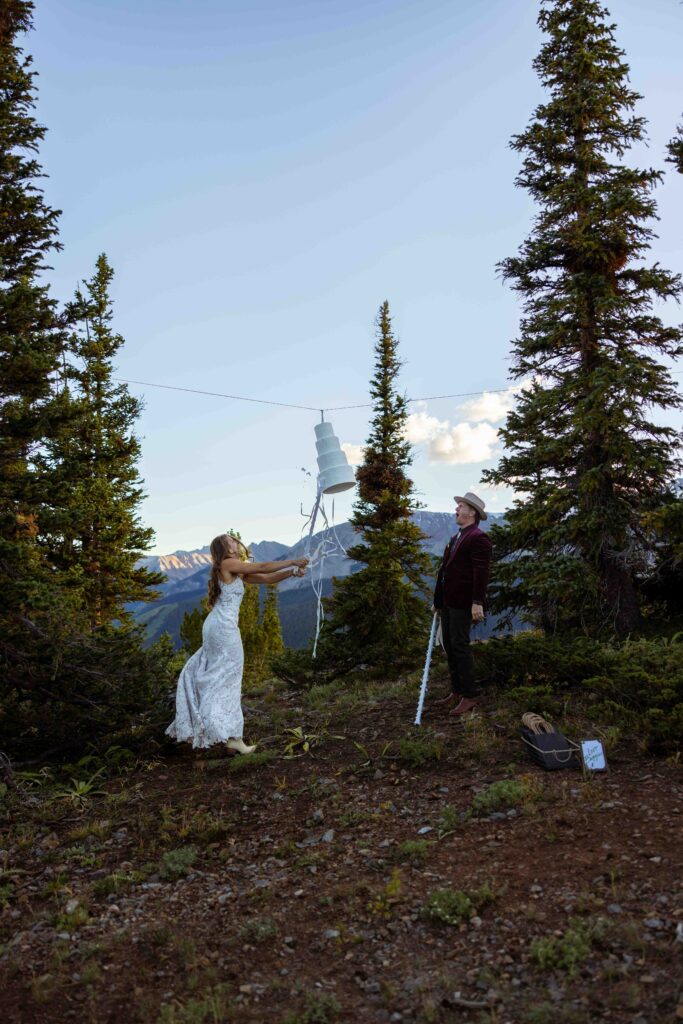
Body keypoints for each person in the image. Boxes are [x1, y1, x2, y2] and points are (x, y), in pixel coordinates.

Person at [166, 533, 308, 754]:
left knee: (221, 677)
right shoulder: (228, 563)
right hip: (223, 628)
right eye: (231, 540)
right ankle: (230, 737)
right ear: (224, 547)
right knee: (229, 679)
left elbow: (266, 577)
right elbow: (264, 565)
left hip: (217, 626)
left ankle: (226, 736)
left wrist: (292, 572)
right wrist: (292, 561)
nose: (235, 542)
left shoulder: (235, 569)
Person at [432, 492, 493, 716]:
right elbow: (445, 571)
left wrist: (477, 602)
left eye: (460, 506)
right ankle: (457, 690)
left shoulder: (478, 538)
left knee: (460, 646)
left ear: (472, 512)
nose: (456, 510)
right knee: (449, 644)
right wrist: (437, 601)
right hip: (448, 602)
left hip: (463, 602)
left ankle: (470, 695)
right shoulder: (456, 537)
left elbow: (481, 573)